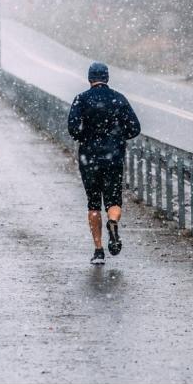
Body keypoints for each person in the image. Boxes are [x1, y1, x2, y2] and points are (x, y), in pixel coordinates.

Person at [68, 62, 141, 265]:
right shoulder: (118, 99)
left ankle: (99, 250)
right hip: (113, 158)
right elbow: (135, 128)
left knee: (93, 203)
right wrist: (117, 138)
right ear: (107, 78)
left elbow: (73, 129)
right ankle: (113, 222)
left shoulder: (81, 99)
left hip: (89, 159)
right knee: (113, 200)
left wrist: (87, 136)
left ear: (90, 78)